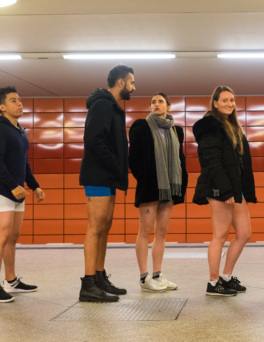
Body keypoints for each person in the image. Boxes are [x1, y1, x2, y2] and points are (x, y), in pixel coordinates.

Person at [193, 86, 257, 296]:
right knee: (220, 235)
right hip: (220, 188)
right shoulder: (210, 126)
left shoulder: (233, 127)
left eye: (232, 100)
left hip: (236, 189)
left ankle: (226, 277)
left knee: (244, 233)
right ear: (215, 103)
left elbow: (240, 162)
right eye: (225, 100)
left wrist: (244, 191)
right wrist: (226, 190)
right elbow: (212, 161)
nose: (230, 103)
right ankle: (213, 282)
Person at [79, 64, 135, 302]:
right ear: (121, 82)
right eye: (132, 82)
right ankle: (88, 284)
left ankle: (99, 276)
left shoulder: (112, 107)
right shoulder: (103, 104)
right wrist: (114, 164)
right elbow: (93, 140)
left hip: (108, 176)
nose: (134, 86)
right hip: (98, 174)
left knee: (104, 227)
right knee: (95, 227)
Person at [129, 93, 188, 292]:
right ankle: (144, 278)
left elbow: (180, 159)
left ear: (168, 107)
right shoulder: (141, 127)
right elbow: (134, 158)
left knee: (161, 232)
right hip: (149, 188)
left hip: (169, 188)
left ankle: (158, 274)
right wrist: (145, 179)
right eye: (153, 101)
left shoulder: (176, 131)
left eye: (160, 101)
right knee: (144, 232)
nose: (156, 104)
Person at [0, 87, 45, 303]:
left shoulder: (20, 130)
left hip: (18, 192)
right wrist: (11, 185)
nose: (19, 103)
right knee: (2, 236)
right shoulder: (1, 129)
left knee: (13, 237)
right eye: (12, 100)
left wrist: (34, 185)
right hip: (3, 191)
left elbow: (23, 162)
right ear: (2, 107)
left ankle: (11, 280)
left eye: (19, 99)